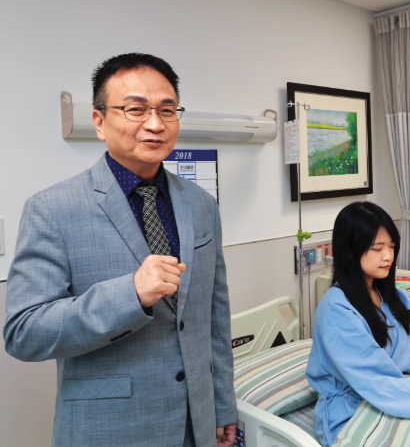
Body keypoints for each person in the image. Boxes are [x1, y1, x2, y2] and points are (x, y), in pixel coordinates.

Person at [3, 53, 237, 447]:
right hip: (110, 428)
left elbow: (215, 315)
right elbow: (24, 332)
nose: (155, 124)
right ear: (99, 121)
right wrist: (130, 295)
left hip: (195, 423)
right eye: (135, 109)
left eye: (167, 110)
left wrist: (222, 403)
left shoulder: (201, 204)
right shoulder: (52, 209)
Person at [306, 202, 410, 447]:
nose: (388, 256)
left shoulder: (397, 298)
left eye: (392, 247)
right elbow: (374, 379)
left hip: (402, 394)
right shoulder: (336, 308)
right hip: (352, 410)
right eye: (377, 248)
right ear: (350, 251)